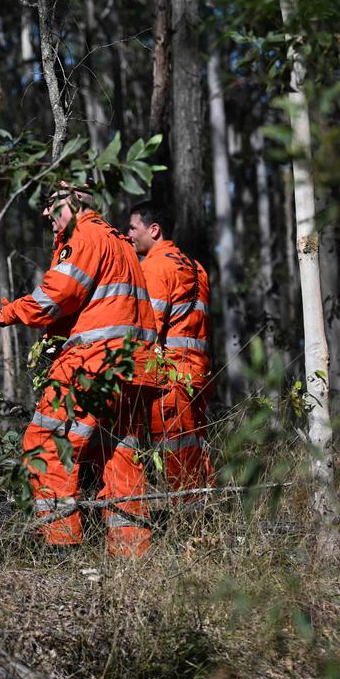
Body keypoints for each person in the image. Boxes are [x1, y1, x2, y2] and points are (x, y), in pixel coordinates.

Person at [0, 184, 159, 557]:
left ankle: (60, 548)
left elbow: (56, 297)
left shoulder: (84, 236)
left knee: (46, 444)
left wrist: (2, 314)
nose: (46, 214)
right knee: (120, 456)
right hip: (134, 367)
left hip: (93, 363)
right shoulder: (120, 243)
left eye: (51, 205)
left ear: (75, 205)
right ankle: (133, 556)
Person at [126, 201, 212, 492]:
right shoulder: (196, 267)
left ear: (154, 230)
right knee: (197, 448)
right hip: (198, 373)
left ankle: (188, 523)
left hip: (171, 377)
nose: (128, 235)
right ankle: (207, 515)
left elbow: (148, 326)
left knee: (177, 454)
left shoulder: (154, 266)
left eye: (133, 228)